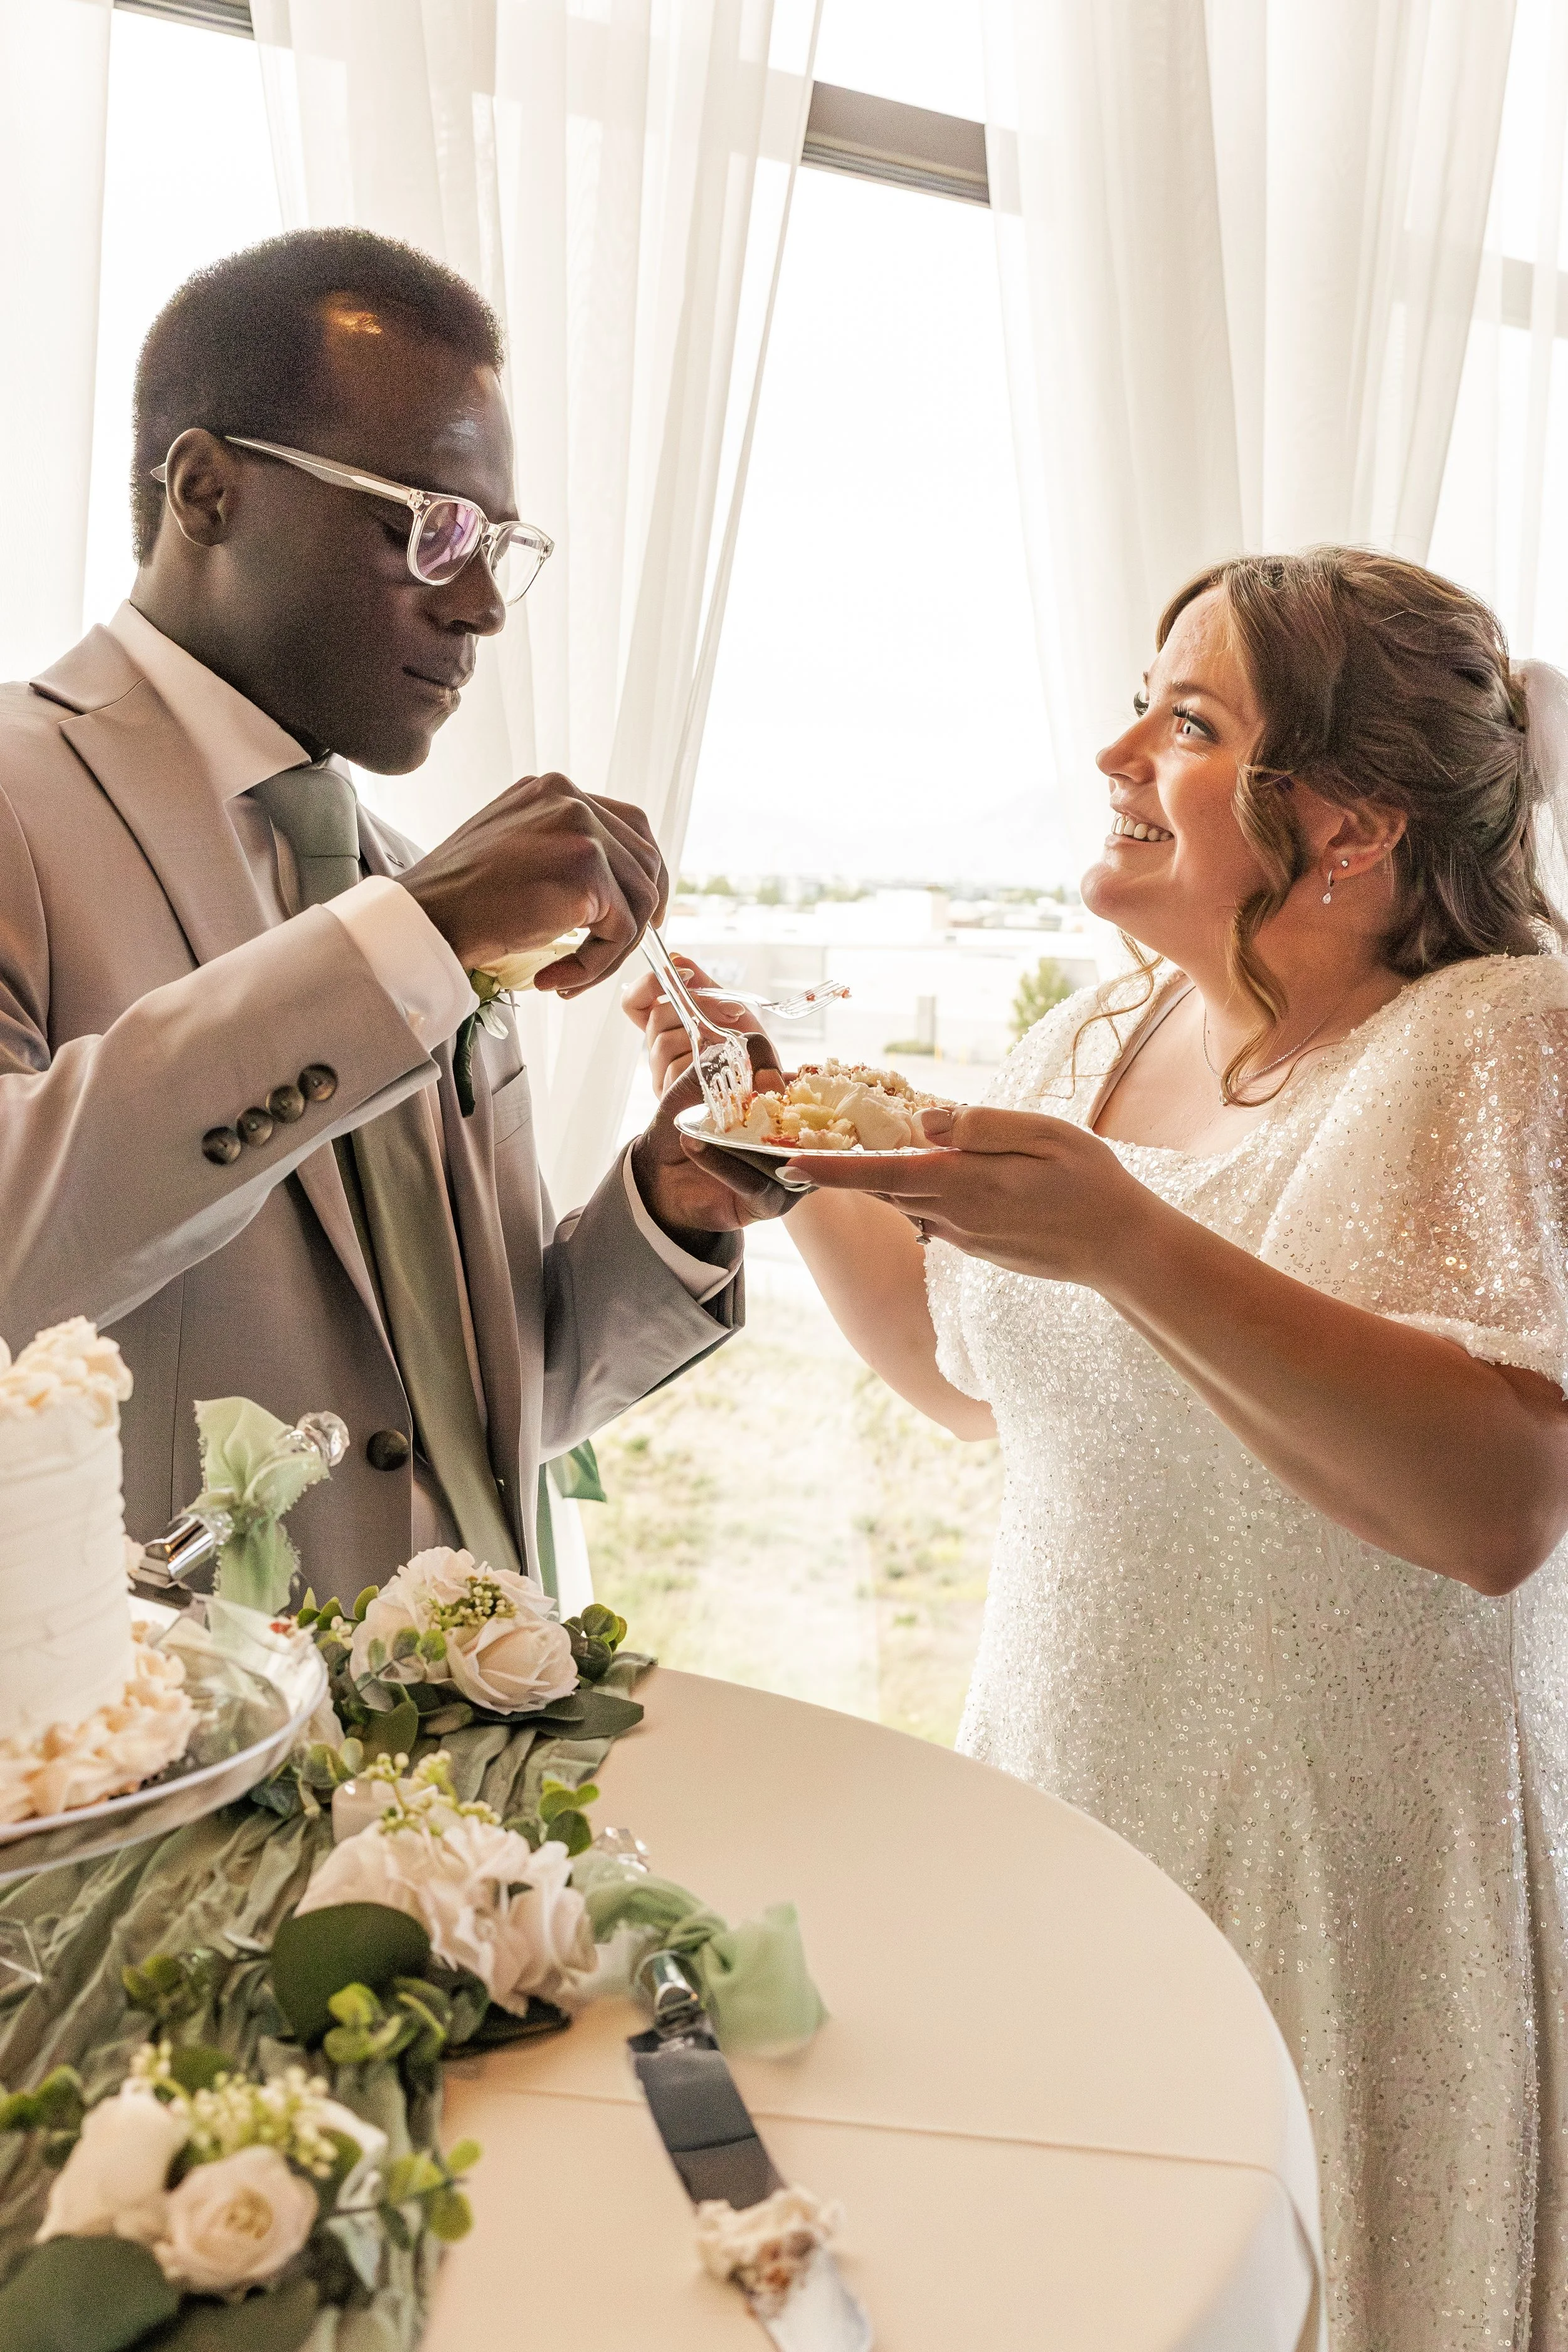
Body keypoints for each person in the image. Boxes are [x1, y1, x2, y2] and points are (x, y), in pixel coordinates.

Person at [631, 549, 1568, 2349]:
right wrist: (774, 1121)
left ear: (1354, 824)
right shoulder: (1095, 1031)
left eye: (1192, 719)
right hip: (1070, 1797)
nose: (1116, 747)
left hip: (1340, 1856)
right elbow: (963, 1370)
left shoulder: (1499, 1039)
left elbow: (1497, 1508)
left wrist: (1131, 1238)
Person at [0, 226, 790, 1587]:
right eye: (427, 526)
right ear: (206, 491)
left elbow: (456, 1412)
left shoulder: (393, 876)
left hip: (459, 1765)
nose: (480, 603)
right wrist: (411, 942)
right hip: (148, 1758)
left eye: (496, 543)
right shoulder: (22, 799)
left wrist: (668, 1210)